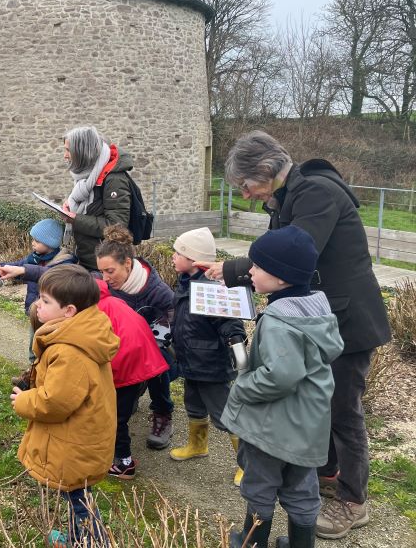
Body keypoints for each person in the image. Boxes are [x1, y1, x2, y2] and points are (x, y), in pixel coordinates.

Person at [196, 131, 390, 540]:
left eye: (246, 186)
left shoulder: (314, 193)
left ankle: (354, 502)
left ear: (266, 171)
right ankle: (325, 471)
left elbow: (297, 250)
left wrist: (233, 270)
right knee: (320, 404)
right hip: (325, 314)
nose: (245, 195)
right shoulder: (290, 195)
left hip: (347, 319)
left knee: (342, 409)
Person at [224, 226, 343, 548]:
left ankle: (252, 541)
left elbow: (282, 375)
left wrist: (244, 386)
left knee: (260, 485)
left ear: (280, 278)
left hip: (274, 428)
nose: (249, 270)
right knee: (302, 488)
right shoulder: (315, 311)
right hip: (308, 426)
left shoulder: (280, 321)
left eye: (258, 266)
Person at [11, 264, 118, 546]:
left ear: (69, 311)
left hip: (74, 443)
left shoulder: (69, 350)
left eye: (45, 301)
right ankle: (76, 539)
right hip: (80, 436)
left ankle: (94, 542)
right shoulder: (79, 331)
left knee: (78, 499)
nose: (38, 304)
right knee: (76, 495)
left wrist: (24, 400)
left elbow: (55, 402)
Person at [167, 227, 246, 487]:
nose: (173, 257)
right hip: (190, 360)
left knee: (226, 413)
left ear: (194, 260)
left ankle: (247, 464)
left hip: (210, 363)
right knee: (194, 404)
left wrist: (235, 342)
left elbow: (227, 319)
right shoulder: (186, 284)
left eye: (178, 253)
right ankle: (197, 445)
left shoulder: (211, 288)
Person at [95, 224, 176, 450]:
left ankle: (163, 412)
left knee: (153, 362)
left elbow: (174, 324)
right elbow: (72, 279)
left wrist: (145, 346)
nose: (105, 278)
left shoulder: (158, 292)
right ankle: (129, 395)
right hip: (124, 346)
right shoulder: (107, 284)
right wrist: (24, 271)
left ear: (128, 264)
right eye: (102, 272)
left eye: (110, 271)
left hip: (159, 347)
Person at [95, 278, 169, 480]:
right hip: (142, 362)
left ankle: (124, 463)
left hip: (126, 366)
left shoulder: (94, 312)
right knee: (121, 412)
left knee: (115, 418)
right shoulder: (114, 301)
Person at [0, 218, 77, 373]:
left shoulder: (64, 262)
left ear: (50, 243)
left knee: (48, 345)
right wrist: (2, 266)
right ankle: (32, 372)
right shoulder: (35, 258)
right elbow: (20, 265)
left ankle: (45, 374)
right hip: (36, 312)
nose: (33, 243)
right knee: (34, 343)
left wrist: (22, 270)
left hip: (54, 315)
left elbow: (47, 274)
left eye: (37, 240)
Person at [59, 126, 134, 271]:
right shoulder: (87, 175)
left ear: (83, 151)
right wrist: (70, 204)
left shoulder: (114, 179)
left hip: (104, 266)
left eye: (68, 150)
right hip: (86, 257)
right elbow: (89, 207)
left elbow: (117, 226)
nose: (65, 156)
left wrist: (75, 218)